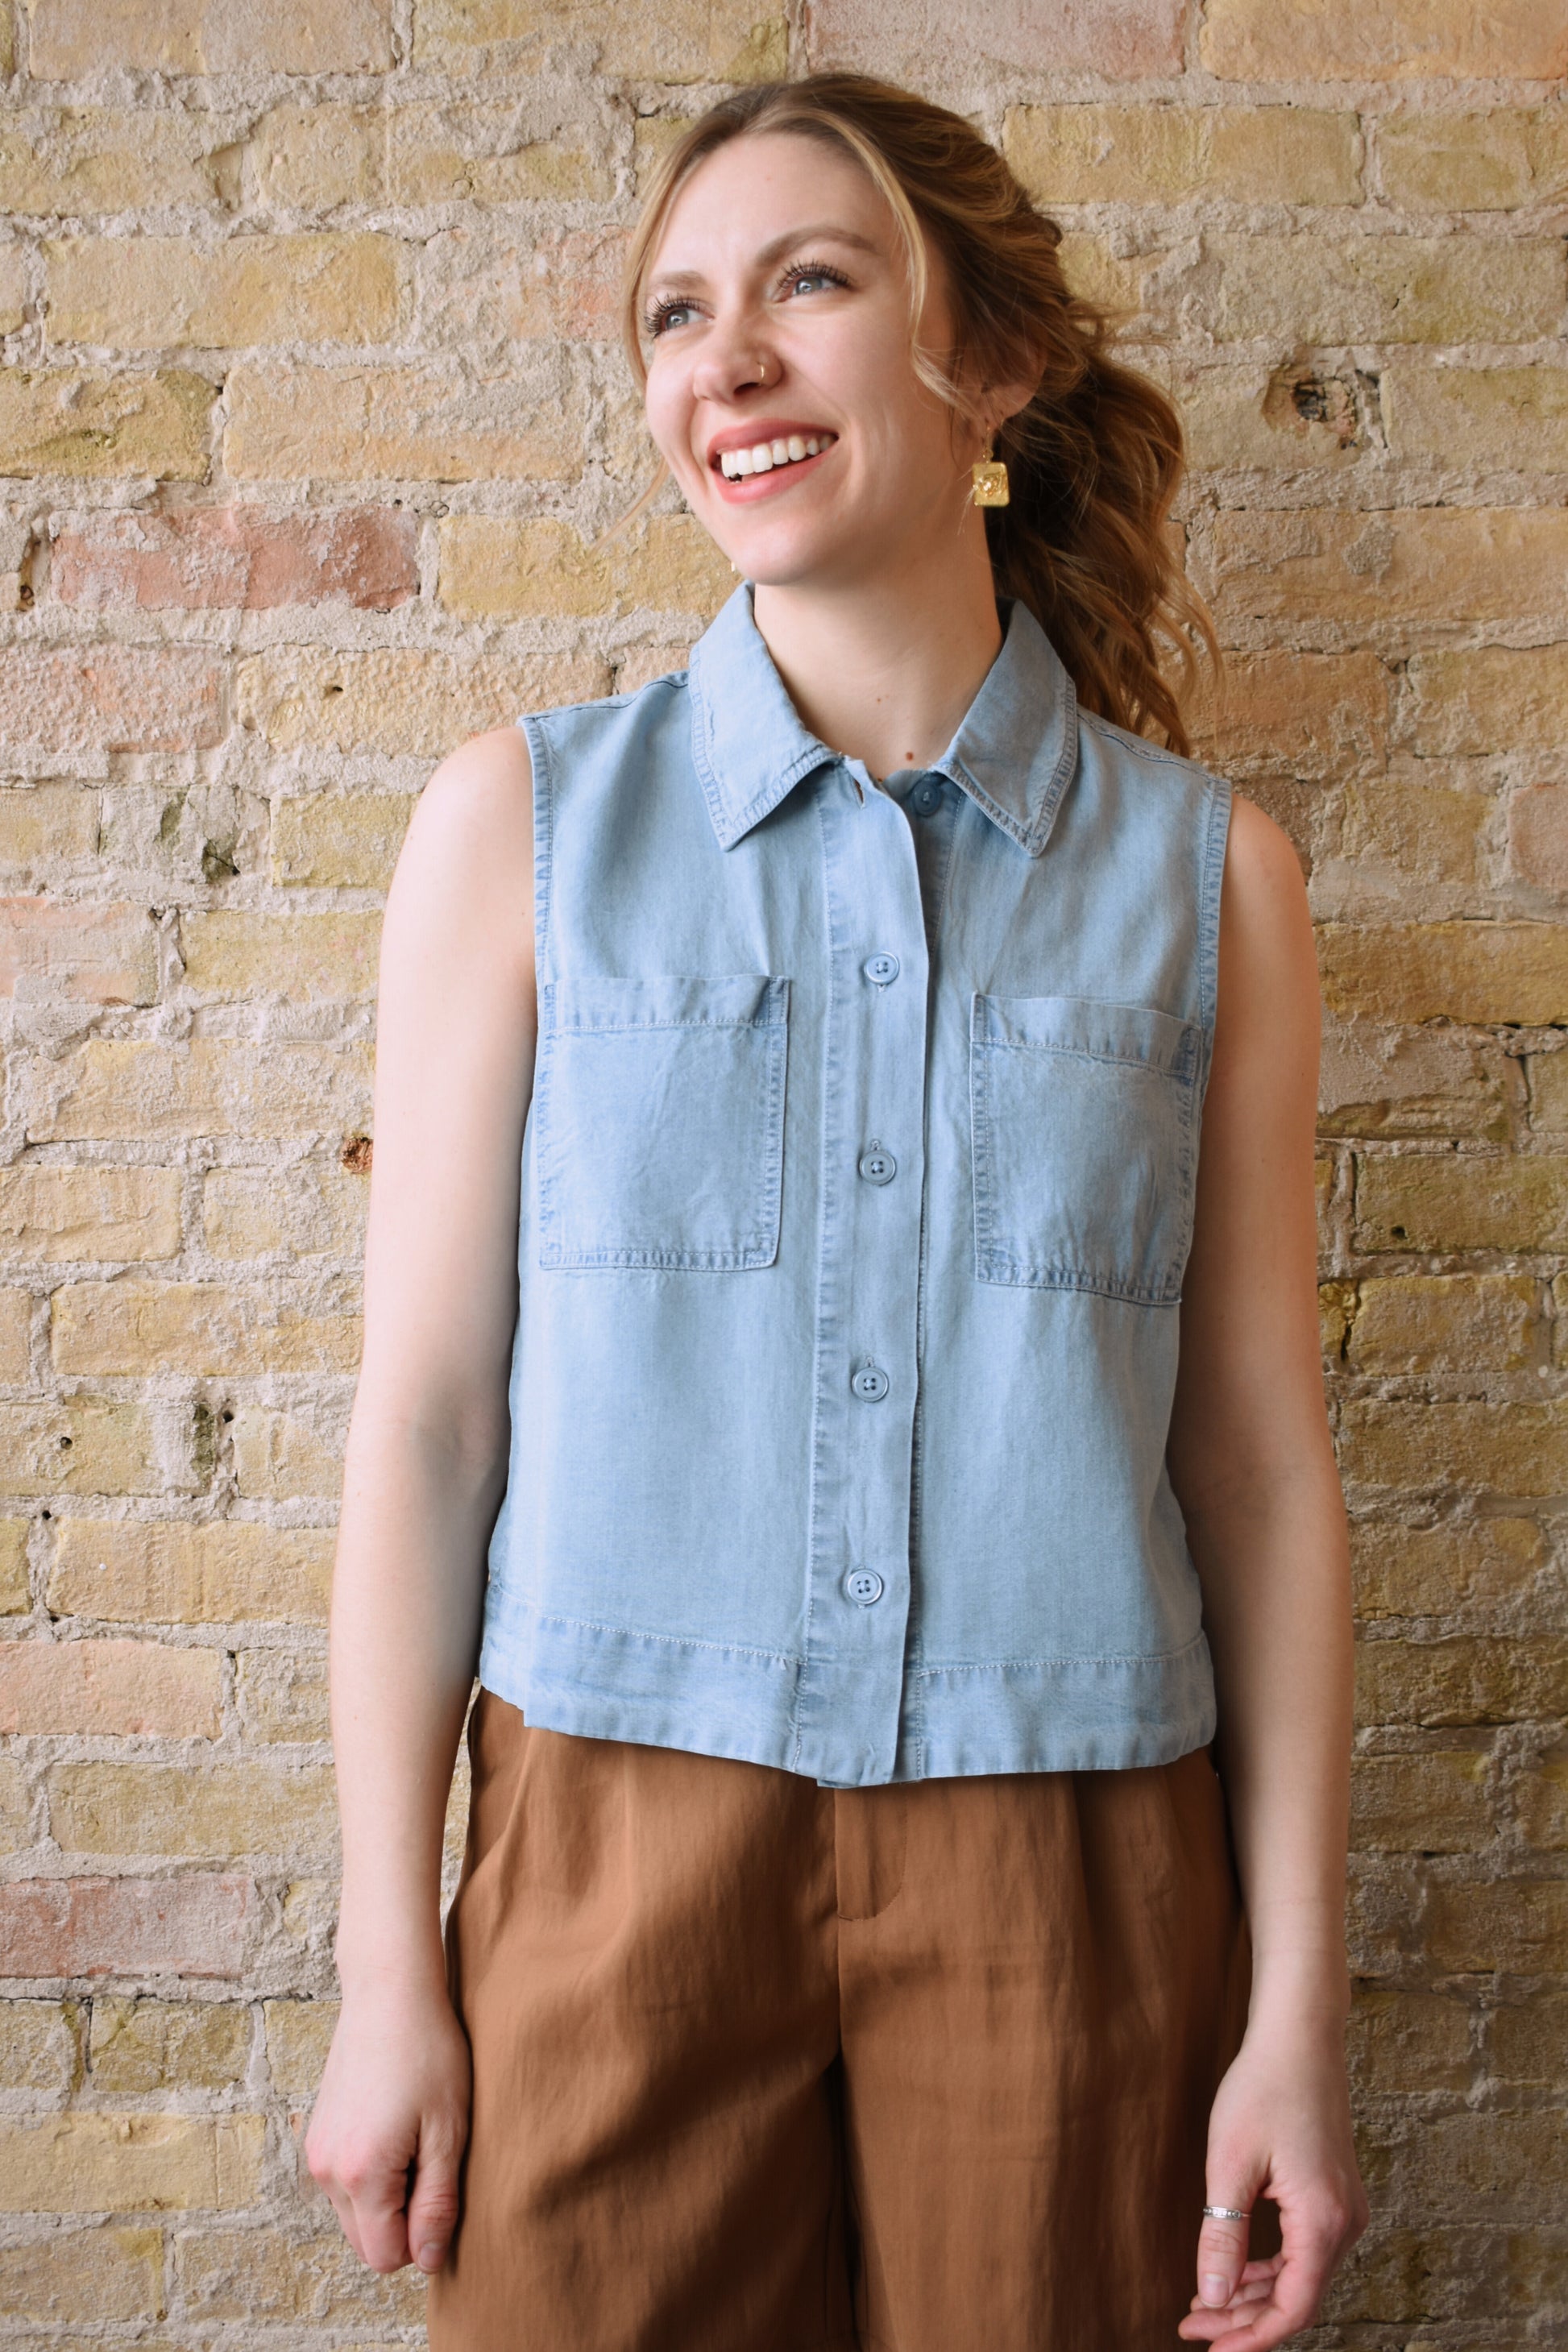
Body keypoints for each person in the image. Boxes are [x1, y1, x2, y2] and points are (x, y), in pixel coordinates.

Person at [304, 70, 1368, 2352]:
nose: (729, 361)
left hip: (1072, 1855)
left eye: (809, 281)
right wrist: (388, 1963)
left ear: (992, 361)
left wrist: (1295, 2004)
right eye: (676, 314)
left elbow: (1260, 1470)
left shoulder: (1213, 885)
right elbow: (427, 1429)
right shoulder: (517, 832)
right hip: (606, 1843)